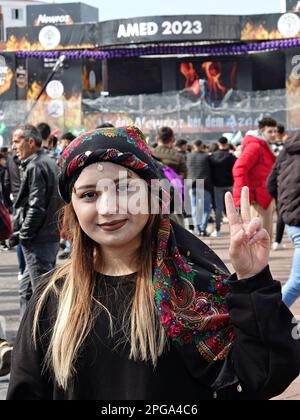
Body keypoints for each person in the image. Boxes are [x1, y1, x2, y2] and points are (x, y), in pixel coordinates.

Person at [7, 127, 300, 400]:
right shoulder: (52, 298)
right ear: (72, 207)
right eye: (89, 195)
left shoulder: (197, 286)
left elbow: (262, 376)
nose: (109, 207)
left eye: (124, 188)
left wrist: (252, 281)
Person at [11, 124, 62, 317]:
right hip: (47, 236)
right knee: (28, 291)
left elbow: (36, 206)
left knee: (42, 295)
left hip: (39, 239)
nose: (14, 146)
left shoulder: (36, 165)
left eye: (17, 141)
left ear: (30, 142)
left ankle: (41, 341)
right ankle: (30, 340)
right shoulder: (46, 162)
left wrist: (24, 234)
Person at [267, 133, 300, 307]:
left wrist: (285, 204)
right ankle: (270, 319)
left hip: (291, 219)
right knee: (297, 281)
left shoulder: (286, 150)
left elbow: (270, 184)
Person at [232, 117, 277, 238]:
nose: (273, 134)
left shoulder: (262, 146)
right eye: (270, 131)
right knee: (258, 239)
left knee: (263, 238)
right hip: (258, 199)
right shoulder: (255, 146)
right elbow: (239, 168)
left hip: (264, 197)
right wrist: (248, 195)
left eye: (275, 131)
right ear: (262, 131)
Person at [210, 137, 237, 237]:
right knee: (231, 207)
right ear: (227, 143)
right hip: (230, 184)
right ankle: (234, 229)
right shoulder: (231, 157)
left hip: (217, 185)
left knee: (218, 207)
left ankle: (217, 230)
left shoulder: (212, 157)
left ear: (218, 143)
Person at [187, 140, 213, 236]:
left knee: (194, 207)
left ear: (194, 146)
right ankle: (203, 229)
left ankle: (197, 229)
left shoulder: (188, 156)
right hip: (205, 184)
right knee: (206, 208)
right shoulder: (206, 157)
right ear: (202, 146)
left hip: (192, 184)